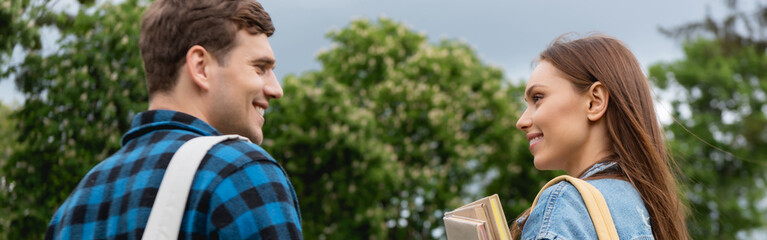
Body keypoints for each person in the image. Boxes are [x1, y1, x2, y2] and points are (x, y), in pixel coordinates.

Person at [45, 0, 302, 239]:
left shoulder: (71, 210)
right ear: (201, 67)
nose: (275, 89)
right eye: (260, 68)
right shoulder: (241, 173)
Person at [512, 34, 688, 240]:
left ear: (595, 102)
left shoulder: (565, 205)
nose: (521, 122)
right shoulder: (649, 209)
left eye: (538, 98)